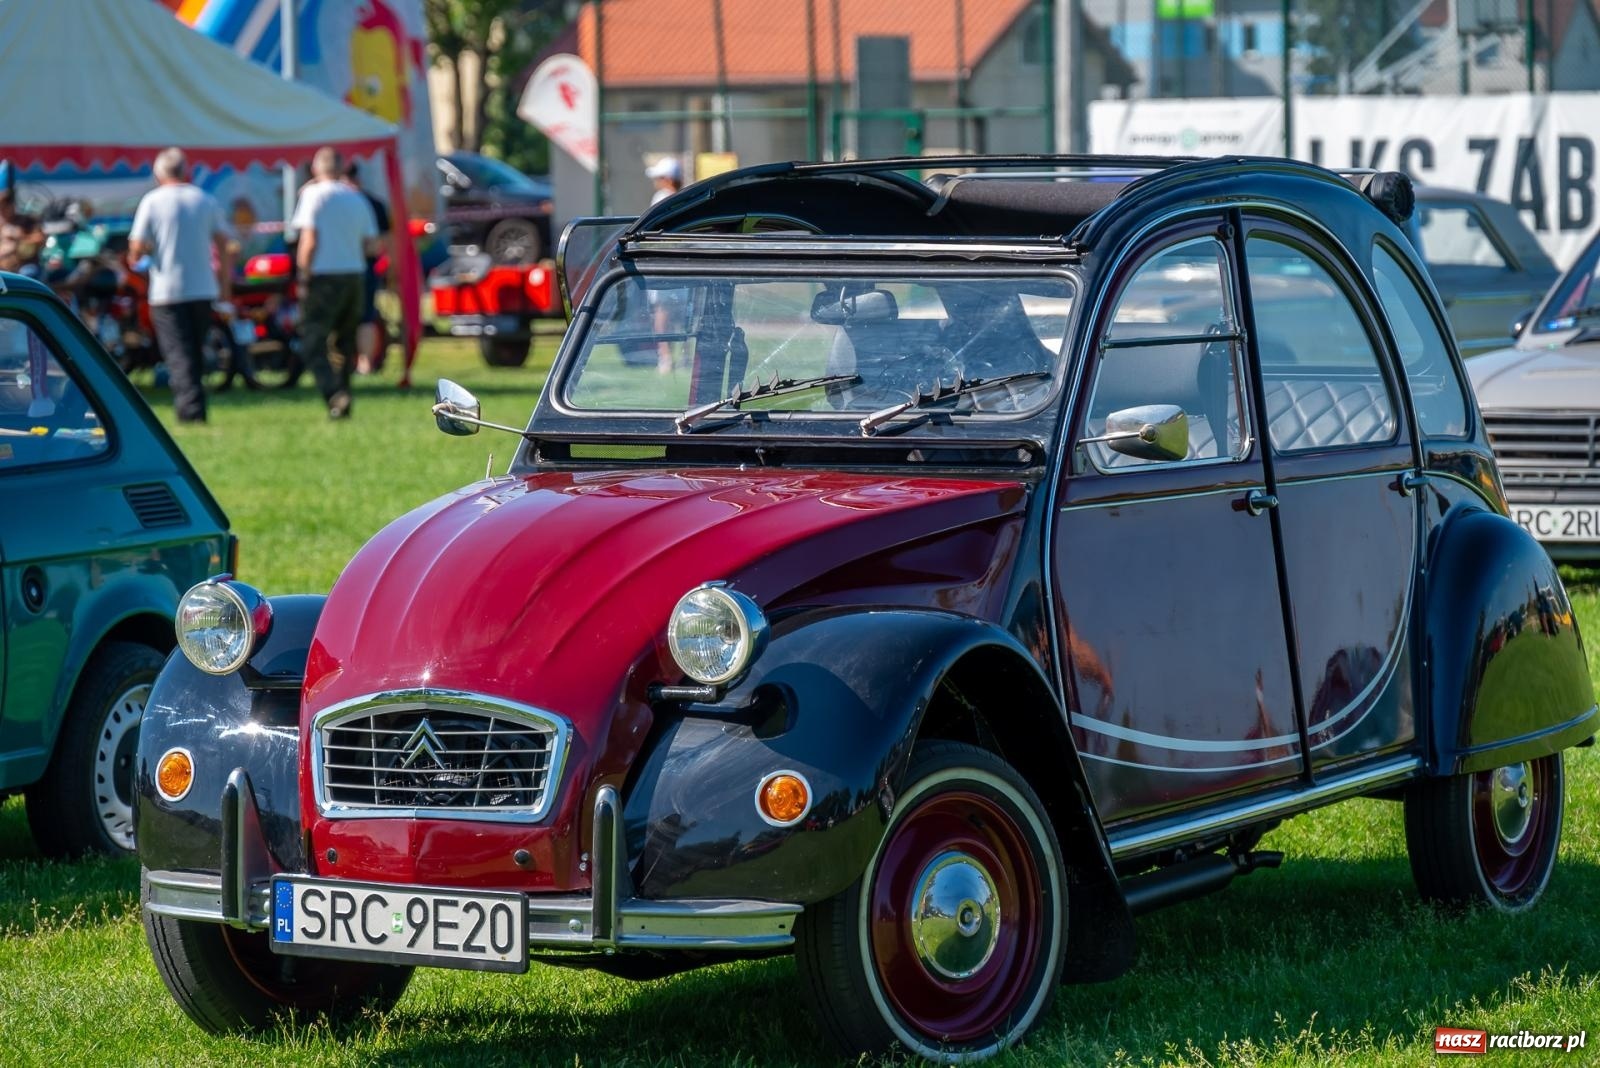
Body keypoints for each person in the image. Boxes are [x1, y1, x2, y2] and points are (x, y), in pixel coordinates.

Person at [128, 147, 235, 423]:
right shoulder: (204, 199)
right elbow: (224, 243)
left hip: (167, 290)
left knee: (177, 353)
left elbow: (136, 248)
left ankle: (190, 412)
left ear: (159, 173)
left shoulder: (152, 201)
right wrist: (225, 285)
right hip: (203, 288)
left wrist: (142, 254)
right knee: (195, 351)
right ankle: (195, 407)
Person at [291, 147, 378, 419]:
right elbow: (371, 245)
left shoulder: (313, 195)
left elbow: (309, 240)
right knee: (344, 343)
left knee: (312, 340)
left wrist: (303, 275)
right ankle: (343, 397)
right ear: (341, 168)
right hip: (354, 276)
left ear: (315, 168)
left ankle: (333, 393)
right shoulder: (357, 196)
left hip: (324, 276)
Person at [341, 160, 391, 374]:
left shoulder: (335, 202)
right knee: (366, 317)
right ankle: (365, 363)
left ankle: (352, 363)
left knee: (351, 317)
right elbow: (383, 243)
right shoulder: (374, 203)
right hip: (366, 267)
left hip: (343, 269)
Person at [0, 170, 43, 277]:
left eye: (4, 209)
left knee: (29, 273)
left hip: (25, 265)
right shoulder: (2, 224)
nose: (2, 212)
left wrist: (21, 237)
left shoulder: (27, 221)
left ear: (12, 206)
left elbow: (40, 238)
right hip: (5, 266)